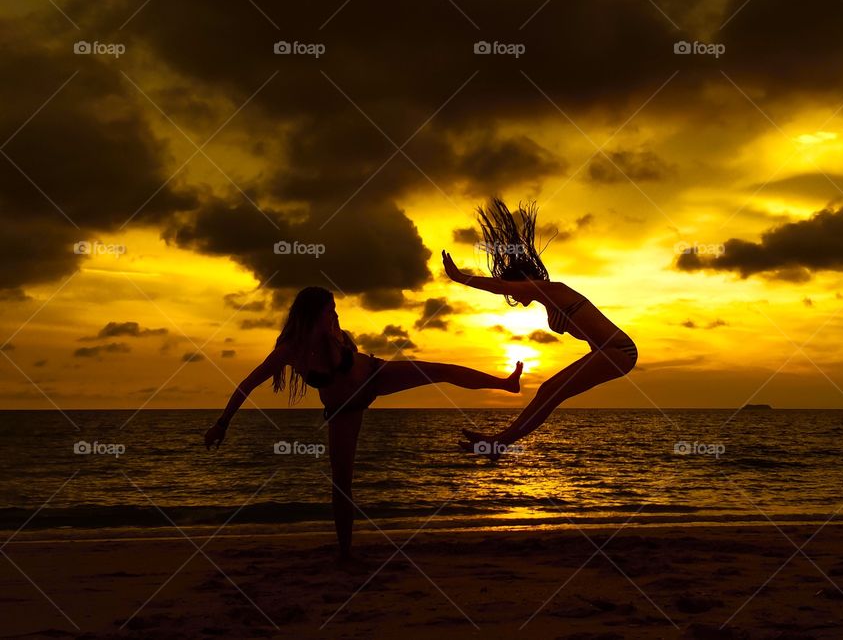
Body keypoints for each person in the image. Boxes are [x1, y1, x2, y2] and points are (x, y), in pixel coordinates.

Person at [204, 286, 522, 562]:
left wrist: (338, 340)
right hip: (344, 410)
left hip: (375, 376)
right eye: (330, 310)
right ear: (314, 313)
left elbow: (350, 361)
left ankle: (506, 384)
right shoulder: (291, 351)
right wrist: (223, 422)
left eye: (335, 310)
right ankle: (345, 552)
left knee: (440, 370)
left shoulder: (339, 336)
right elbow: (248, 383)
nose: (335, 316)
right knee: (342, 484)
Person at [443, 197, 637, 455]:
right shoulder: (549, 304)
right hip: (606, 353)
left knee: (551, 391)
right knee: (549, 392)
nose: (516, 300)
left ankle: (498, 444)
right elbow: (592, 330)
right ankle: (497, 442)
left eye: (515, 292)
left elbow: (501, 285)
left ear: (526, 281)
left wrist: (461, 278)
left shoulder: (553, 290)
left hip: (619, 351)